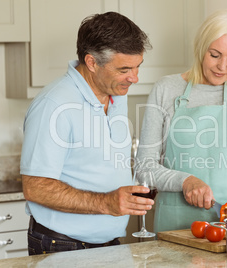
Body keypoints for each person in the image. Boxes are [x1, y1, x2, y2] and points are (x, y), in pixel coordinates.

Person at [20, 12, 153, 255]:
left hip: (108, 243)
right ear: (92, 63)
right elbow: (35, 187)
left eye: (137, 67)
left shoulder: (115, 94)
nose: (134, 78)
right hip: (62, 245)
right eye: (124, 69)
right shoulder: (54, 105)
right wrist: (107, 203)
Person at [135, 9, 227, 233]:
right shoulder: (166, 89)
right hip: (173, 227)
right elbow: (145, 167)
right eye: (214, 55)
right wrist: (185, 181)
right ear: (201, 48)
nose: (222, 66)